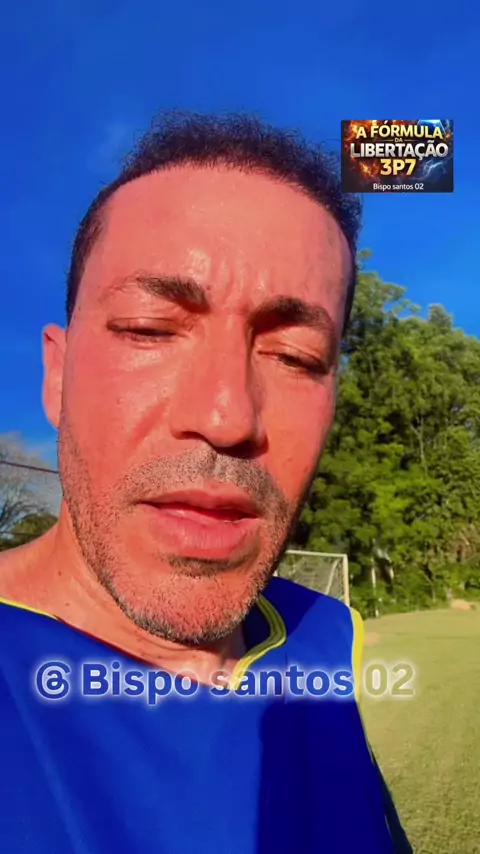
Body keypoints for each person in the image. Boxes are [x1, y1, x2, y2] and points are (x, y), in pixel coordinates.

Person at [0, 111, 411, 853]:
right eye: (150, 329)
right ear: (56, 376)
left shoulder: (322, 635)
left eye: (296, 356)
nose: (226, 417)